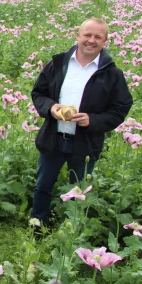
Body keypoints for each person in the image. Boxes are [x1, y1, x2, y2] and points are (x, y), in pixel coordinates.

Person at [30, 17, 133, 223]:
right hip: (54, 136)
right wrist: (51, 107)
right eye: (87, 35)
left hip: (85, 143)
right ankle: (38, 224)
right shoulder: (58, 64)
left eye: (98, 37)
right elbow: (38, 93)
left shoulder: (112, 73)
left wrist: (92, 120)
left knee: (78, 191)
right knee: (43, 185)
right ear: (78, 36)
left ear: (105, 42)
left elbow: (120, 108)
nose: (91, 40)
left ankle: (70, 228)